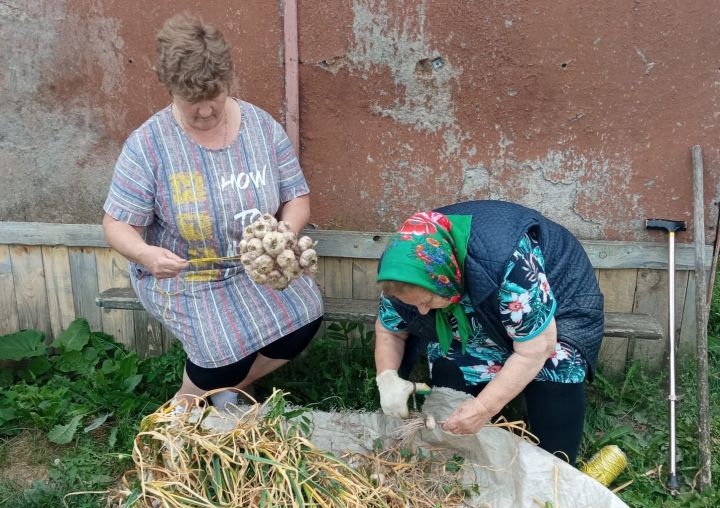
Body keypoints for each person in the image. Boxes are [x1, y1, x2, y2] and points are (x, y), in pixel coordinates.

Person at [102, 13, 323, 409]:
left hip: (252, 266)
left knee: (306, 315)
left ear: (228, 82)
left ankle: (230, 387)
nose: (205, 111)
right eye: (192, 102)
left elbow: (297, 198)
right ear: (171, 89)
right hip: (188, 274)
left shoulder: (262, 128)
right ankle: (182, 410)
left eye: (214, 98)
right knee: (221, 348)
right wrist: (146, 254)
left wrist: (281, 237)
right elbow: (117, 224)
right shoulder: (149, 146)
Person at [374, 200, 604, 464]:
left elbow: (538, 347)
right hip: (476, 304)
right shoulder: (402, 270)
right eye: (415, 304)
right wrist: (387, 376)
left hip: (559, 307)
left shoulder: (509, 264)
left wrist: (484, 407)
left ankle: (555, 461)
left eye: (427, 301)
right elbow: (390, 330)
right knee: (450, 378)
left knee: (554, 373)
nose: (423, 312)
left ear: (447, 277)